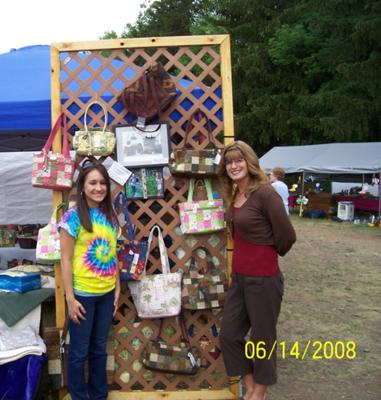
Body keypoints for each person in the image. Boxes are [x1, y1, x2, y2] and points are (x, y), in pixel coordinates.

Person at [217, 141, 296, 400]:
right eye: (229, 162)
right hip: (239, 278)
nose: (234, 165)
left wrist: (265, 258)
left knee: (262, 340)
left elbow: (287, 236)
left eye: (239, 160)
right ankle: (250, 384)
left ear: (250, 162)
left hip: (264, 280)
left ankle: (258, 393)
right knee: (229, 335)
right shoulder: (235, 194)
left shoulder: (265, 193)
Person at [59, 159, 120, 400]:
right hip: (82, 296)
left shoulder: (111, 217)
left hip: (106, 295)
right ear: (82, 187)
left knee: (99, 350)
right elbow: (65, 260)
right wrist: (70, 299)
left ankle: (99, 395)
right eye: (92, 182)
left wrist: (117, 288)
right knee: (79, 352)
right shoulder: (72, 218)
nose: (98, 187)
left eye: (103, 183)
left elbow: (112, 253)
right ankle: (79, 396)